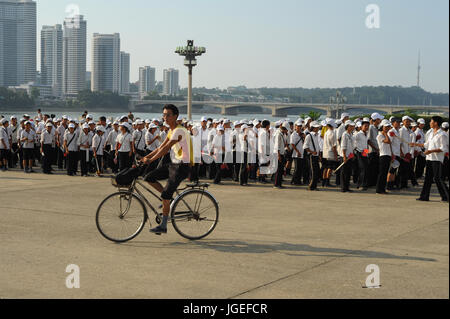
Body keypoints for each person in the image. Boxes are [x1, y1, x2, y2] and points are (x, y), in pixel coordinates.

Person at [141, 104, 193, 235]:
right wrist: (145, 157)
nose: (165, 117)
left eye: (168, 115)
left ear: (175, 116)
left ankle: (163, 225)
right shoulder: (171, 130)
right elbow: (159, 147)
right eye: (163, 114)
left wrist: (151, 160)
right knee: (149, 177)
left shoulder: (179, 130)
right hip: (174, 164)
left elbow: (166, 149)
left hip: (182, 165)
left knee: (165, 195)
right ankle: (168, 199)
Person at [412, 116, 449, 202]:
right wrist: (415, 144)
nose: (430, 123)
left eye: (431, 121)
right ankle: (424, 196)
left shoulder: (442, 134)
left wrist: (431, 151)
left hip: (437, 159)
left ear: (436, 123)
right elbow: (426, 144)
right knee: (428, 178)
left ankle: (446, 196)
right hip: (429, 159)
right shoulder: (431, 133)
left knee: (438, 178)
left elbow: (444, 148)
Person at [304, 121, 321, 190]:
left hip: (316, 155)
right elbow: (305, 146)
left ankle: (314, 185)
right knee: (313, 171)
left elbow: (317, 146)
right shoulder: (309, 136)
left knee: (316, 171)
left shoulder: (316, 135)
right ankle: (311, 186)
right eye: (316, 127)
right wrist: (311, 152)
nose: (317, 128)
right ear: (313, 128)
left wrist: (318, 154)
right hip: (311, 156)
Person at [340, 120, 356, 192]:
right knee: (344, 172)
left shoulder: (351, 134)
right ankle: (344, 188)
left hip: (350, 155)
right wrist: (344, 156)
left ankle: (347, 187)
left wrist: (352, 155)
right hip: (345, 156)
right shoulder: (344, 134)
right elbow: (343, 146)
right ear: (347, 127)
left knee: (348, 172)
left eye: (353, 126)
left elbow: (352, 146)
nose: (352, 127)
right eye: (351, 126)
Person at [322, 119, 338, 187]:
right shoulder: (332, 133)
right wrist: (336, 156)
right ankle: (327, 181)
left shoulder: (326, 132)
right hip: (330, 153)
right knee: (330, 168)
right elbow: (334, 146)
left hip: (325, 152)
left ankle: (324, 181)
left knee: (325, 168)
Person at [354, 119, 370, 190]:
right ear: (361, 126)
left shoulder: (365, 134)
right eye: (365, 126)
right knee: (362, 168)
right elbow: (353, 142)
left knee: (366, 169)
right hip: (359, 152)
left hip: (365, 152)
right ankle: (361, 185)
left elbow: (365, 145)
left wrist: (366, 153)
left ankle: (362, 184)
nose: (366, 127)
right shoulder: (358, 134)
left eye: (367, 126)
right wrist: (355, 150)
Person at [273, 122, 289, 189]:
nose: (287, 131)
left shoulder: (282, 134)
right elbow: (277, 146)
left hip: (281, 153)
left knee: (281, 169)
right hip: (278, 154)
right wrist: (279, 155)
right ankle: (276, 184)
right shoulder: (278, 134)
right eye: (286, 130)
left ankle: (279, 183)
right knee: (279, 170)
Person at [290, 120, 304, 185]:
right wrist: (297, 151)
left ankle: (298, 180)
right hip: (296, 154)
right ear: (295, 127)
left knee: (300, 168)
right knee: (297, 168)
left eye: (300, 126)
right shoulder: (293, 134)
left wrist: (303, 137)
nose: (299, 128)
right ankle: (294, 180)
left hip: (301, 153)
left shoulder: (302, 134)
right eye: (298, 126)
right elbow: (292, 144)